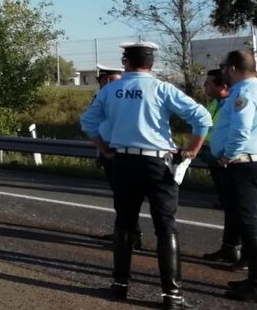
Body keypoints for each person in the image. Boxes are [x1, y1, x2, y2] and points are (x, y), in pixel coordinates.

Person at [80, 41, 212, 310]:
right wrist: (192, 150)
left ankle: (120, 286)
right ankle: (171, 296)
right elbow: (202, 117)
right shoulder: (161, 88)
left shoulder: (111, 89)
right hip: (157, 162)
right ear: (151, 64)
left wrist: (104, 148)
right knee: (165, 226)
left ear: (125, 62)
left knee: (125, 223)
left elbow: (88, 122)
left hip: (123, 161)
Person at [212, 49, 257, 301]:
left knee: (249, 223)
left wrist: (227, 155)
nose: (223, 71)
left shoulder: (242, 93)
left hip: (244, 164)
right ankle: (256, 278)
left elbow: (241, 130)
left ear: (232, 68)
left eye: (223, 66)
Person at [93, 65, 143, 249]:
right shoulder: (104, 97)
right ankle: (125, 231)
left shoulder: (117, 98)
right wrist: (100, 152)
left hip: (120, 152)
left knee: (125, 196)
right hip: (111, 150)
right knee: (120, 196)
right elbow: (100, 127)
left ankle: (131, 234)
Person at [199, 68, 242, 266]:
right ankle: (229, 247)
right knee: (229, 206)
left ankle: (244, 254)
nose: (205, 86)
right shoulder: (215, 104)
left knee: (240, 209)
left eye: (208, 83)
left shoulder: (232, 104)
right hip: (214, 159)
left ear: (223, 86)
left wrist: (226, 156)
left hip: (228, 161)